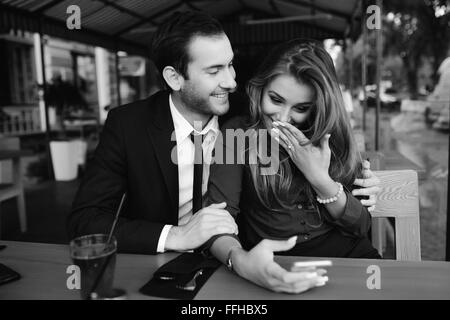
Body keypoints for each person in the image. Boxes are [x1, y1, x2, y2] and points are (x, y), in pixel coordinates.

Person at [67, 12, 379, 291]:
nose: (231, 81)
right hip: (170, 266)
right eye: (215, 70)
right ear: (174, 78)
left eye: (230, 65)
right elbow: (86, 221)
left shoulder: (255, 114)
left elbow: (355, 210)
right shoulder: (129, 125)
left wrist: (346, 187)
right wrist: (176, 235)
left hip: (248, 262)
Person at [206, 39, 382, 293]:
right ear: (260, 88)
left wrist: (319, 178)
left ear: (317, 107)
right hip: (276, 263)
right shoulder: (237, 133)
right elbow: (218, 220)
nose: (283, 118)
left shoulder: (331, 136)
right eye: (276, 99)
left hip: (350, 260)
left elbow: (361, 227)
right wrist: (240, 260)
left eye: (300, 108)